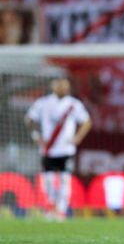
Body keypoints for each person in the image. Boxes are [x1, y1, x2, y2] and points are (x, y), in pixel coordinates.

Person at [25, 78, 92, 221]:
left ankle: (61, 210)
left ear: (68, 87)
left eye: (65, 85)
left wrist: (77, 138)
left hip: (66, 149)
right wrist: (36, 136)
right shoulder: (43, 103)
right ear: (53, 86)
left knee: (65, 179)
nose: (62, 87)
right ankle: (50, 207)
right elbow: (29, 119)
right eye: (59, 85)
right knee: (48, 180)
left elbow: (86, 122)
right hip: (48, 149)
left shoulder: (74, 104)